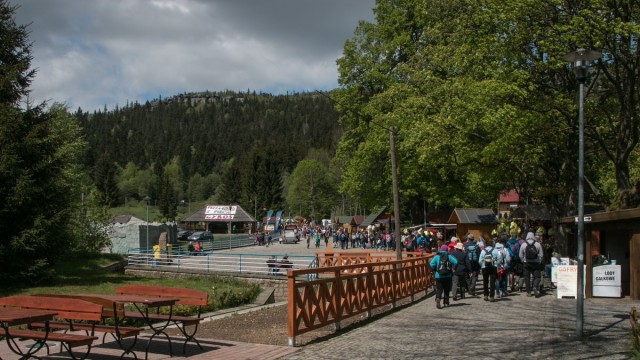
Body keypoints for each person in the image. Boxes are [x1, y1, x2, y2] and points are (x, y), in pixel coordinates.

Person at [429, 245, 458, 309]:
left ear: (440, 250)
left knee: (439, 289)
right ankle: (446, 302)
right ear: (446, 250)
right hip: (448, 275)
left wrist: (435, 269)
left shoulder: (437, 256)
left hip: (438, 275)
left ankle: (438, 298)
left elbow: (431, 264)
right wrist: (452, 268)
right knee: (447, 290)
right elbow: (456, 262)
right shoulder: (449, 256)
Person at [519, 231, 544, 297]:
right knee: (537, 277)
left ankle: (528, 292)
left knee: (527, 277)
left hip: (526, 263)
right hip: (535, 263)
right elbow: (541, 255)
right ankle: (535, 286)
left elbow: (520, 255)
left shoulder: (523, 244)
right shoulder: (538, 244)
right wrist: (539, 261)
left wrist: (523, 260)